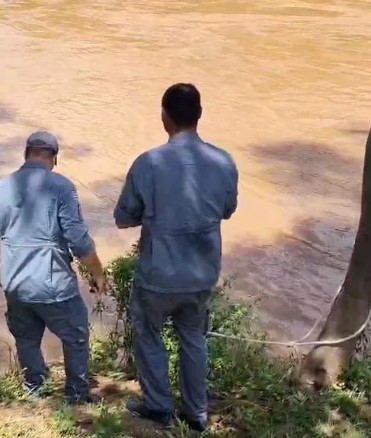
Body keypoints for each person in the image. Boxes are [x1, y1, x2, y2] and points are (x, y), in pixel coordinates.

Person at [113, 83, 238, 432]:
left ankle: (158, 407)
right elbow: (228, 209)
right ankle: (196, 414)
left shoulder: (148, 163)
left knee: (149, 335)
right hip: (201, 274)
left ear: (164, 117)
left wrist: (152, 214)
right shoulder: (224, 161)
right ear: (199, 115)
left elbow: (123, 217)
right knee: (194, 338)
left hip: (158, 275)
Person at [0, 130, 107, 404]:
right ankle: (76, 397)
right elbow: (78, 238)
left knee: (26, 338)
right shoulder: (62, 187)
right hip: (53, 286)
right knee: (76, 337)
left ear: (25, 154)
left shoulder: (1, 187)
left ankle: (35, 390)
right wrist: (97, 272)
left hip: (15, 284)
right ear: (54, 158)